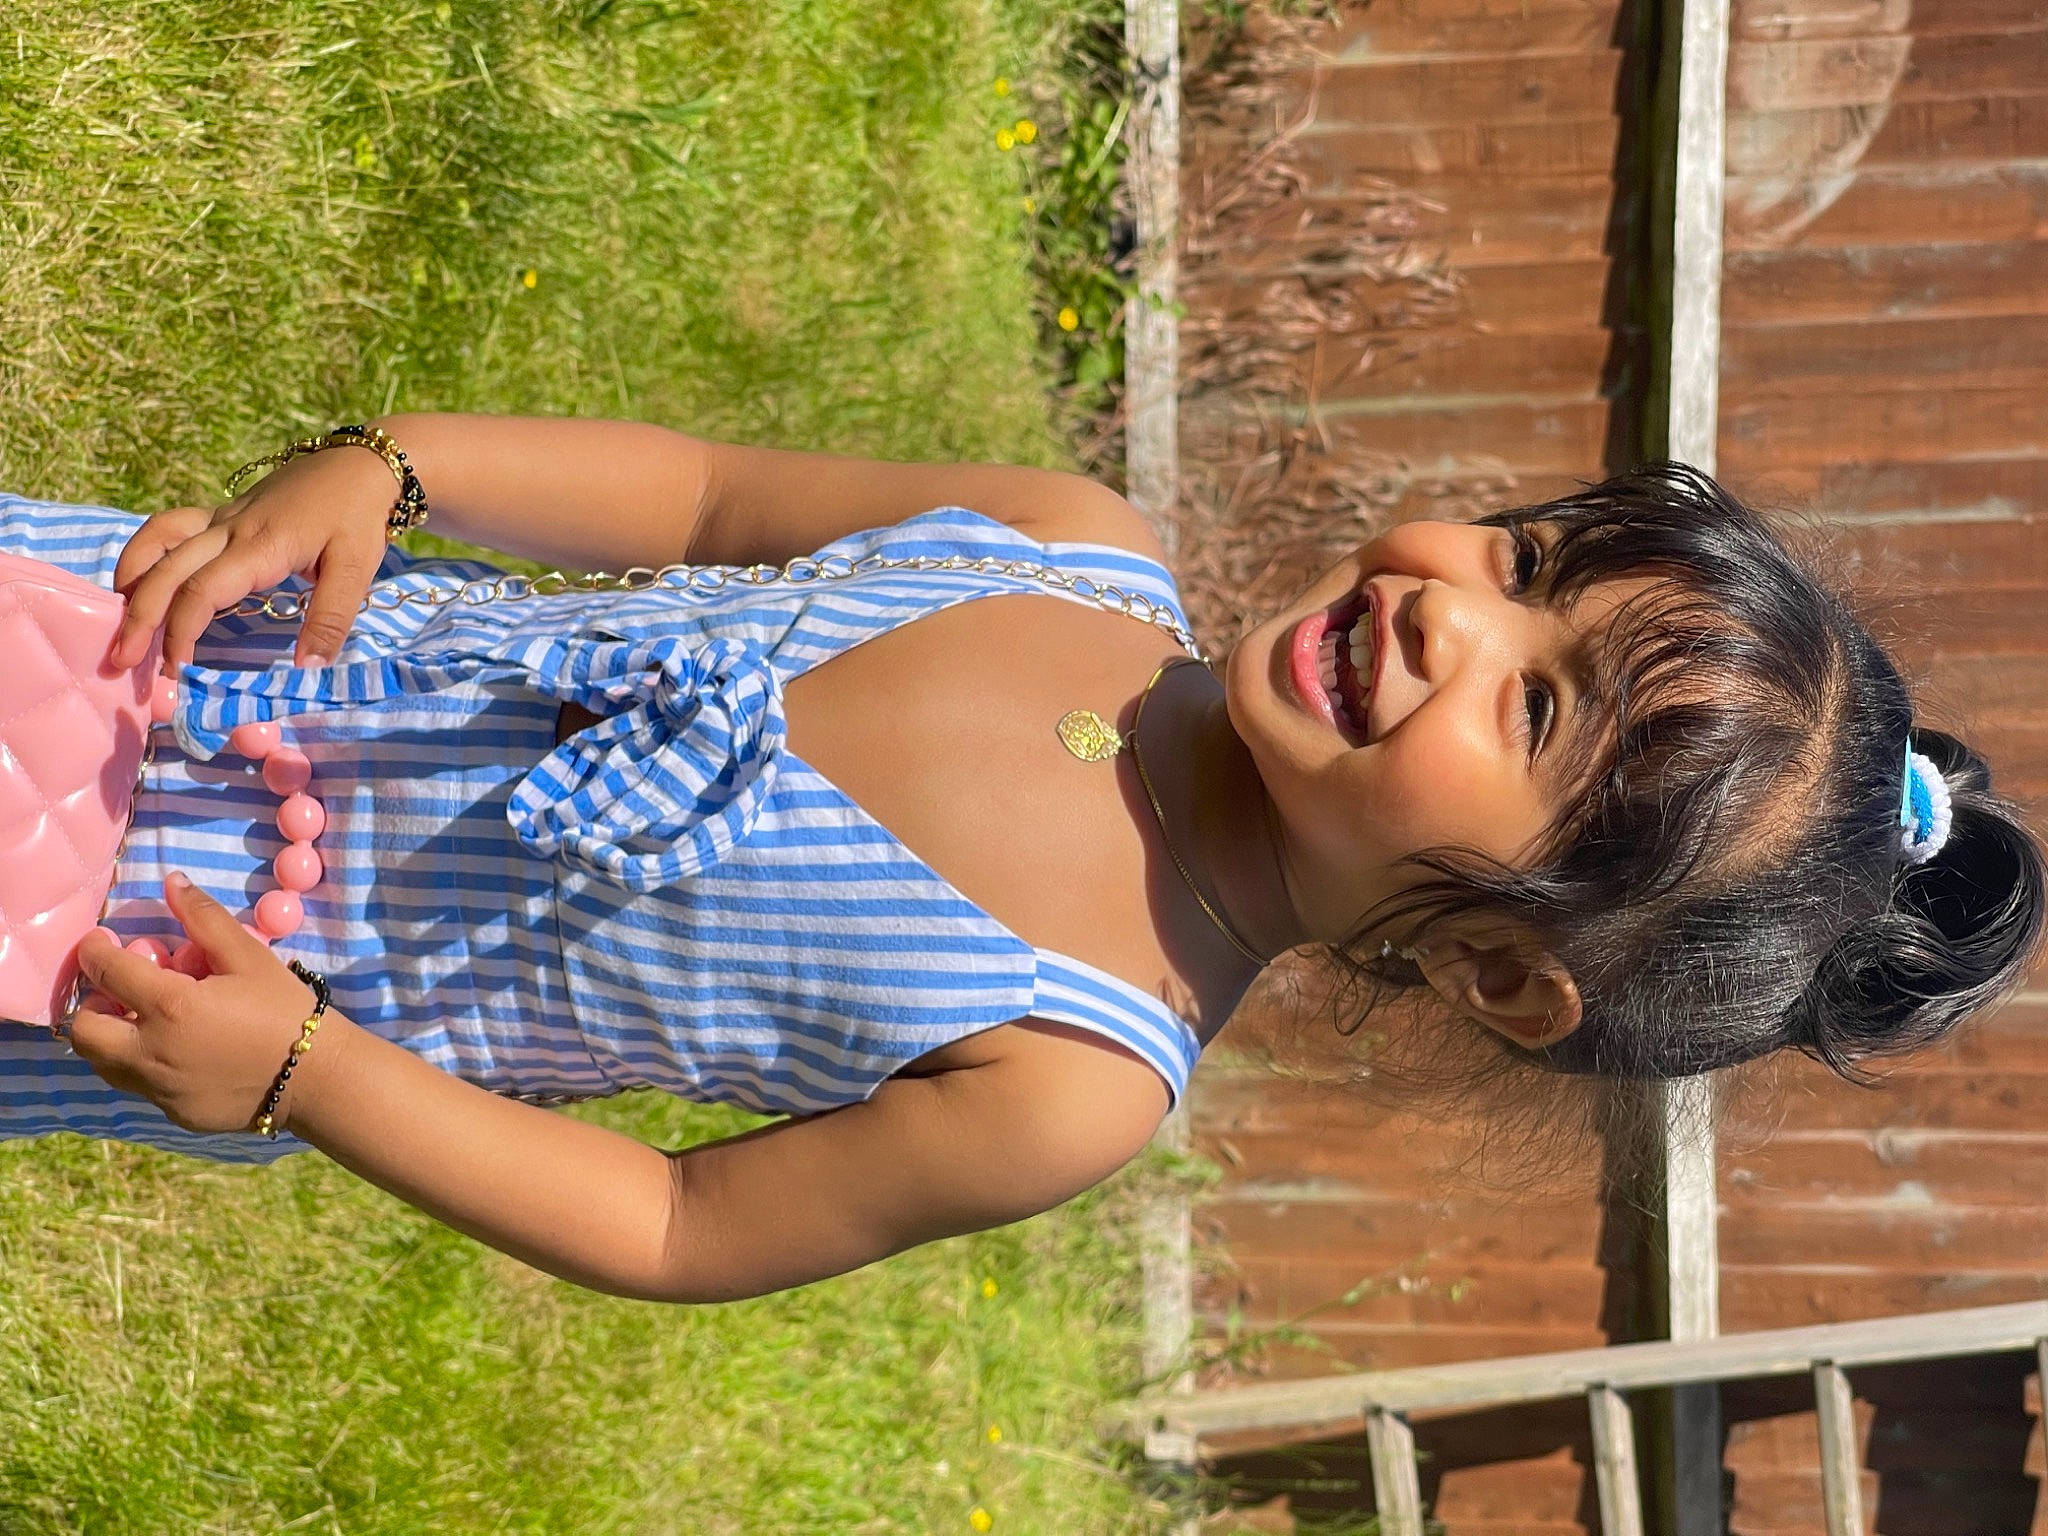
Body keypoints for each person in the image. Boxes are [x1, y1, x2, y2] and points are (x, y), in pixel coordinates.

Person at [4, 416, 2039, 1304]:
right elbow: (710, 491)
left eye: (1530, 709)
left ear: (1514, 970)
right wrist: (396, 467)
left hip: (163, 962)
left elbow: (677, 1230)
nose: (1452, 613)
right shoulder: (1061, 540)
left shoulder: (1069, 1068)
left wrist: (299, 1076)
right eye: (1521, 569)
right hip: (159, 630)